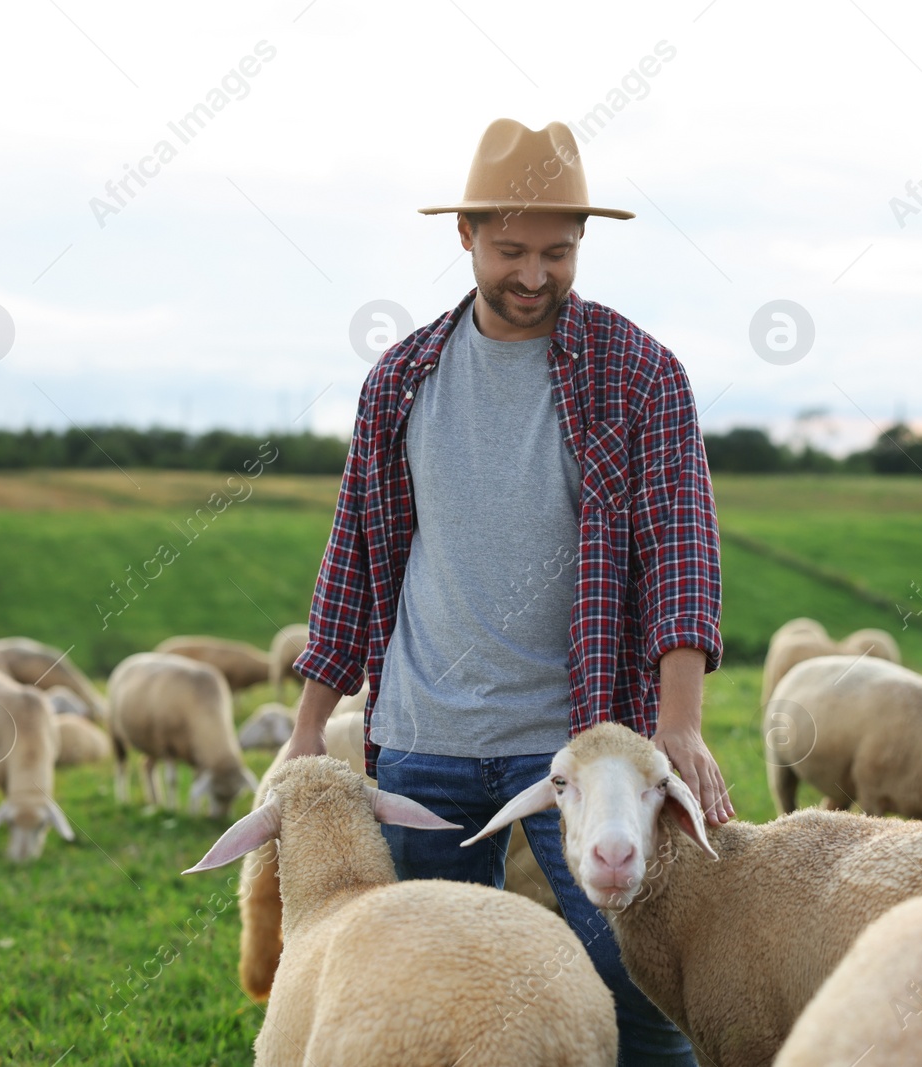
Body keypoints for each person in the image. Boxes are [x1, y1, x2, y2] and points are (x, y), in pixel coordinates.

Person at [284, 117, 730, 1066]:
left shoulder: (640, 374)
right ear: (466, 236)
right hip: (421, 742)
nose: (535, 274)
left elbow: (680, 546)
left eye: (557, 252)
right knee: (425, 988)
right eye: (512, 250)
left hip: (579, 742)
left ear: (582, 244)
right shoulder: (401, 380)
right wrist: (302, 730)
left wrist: (680, 723)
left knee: (634, 990)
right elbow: (354, 561)